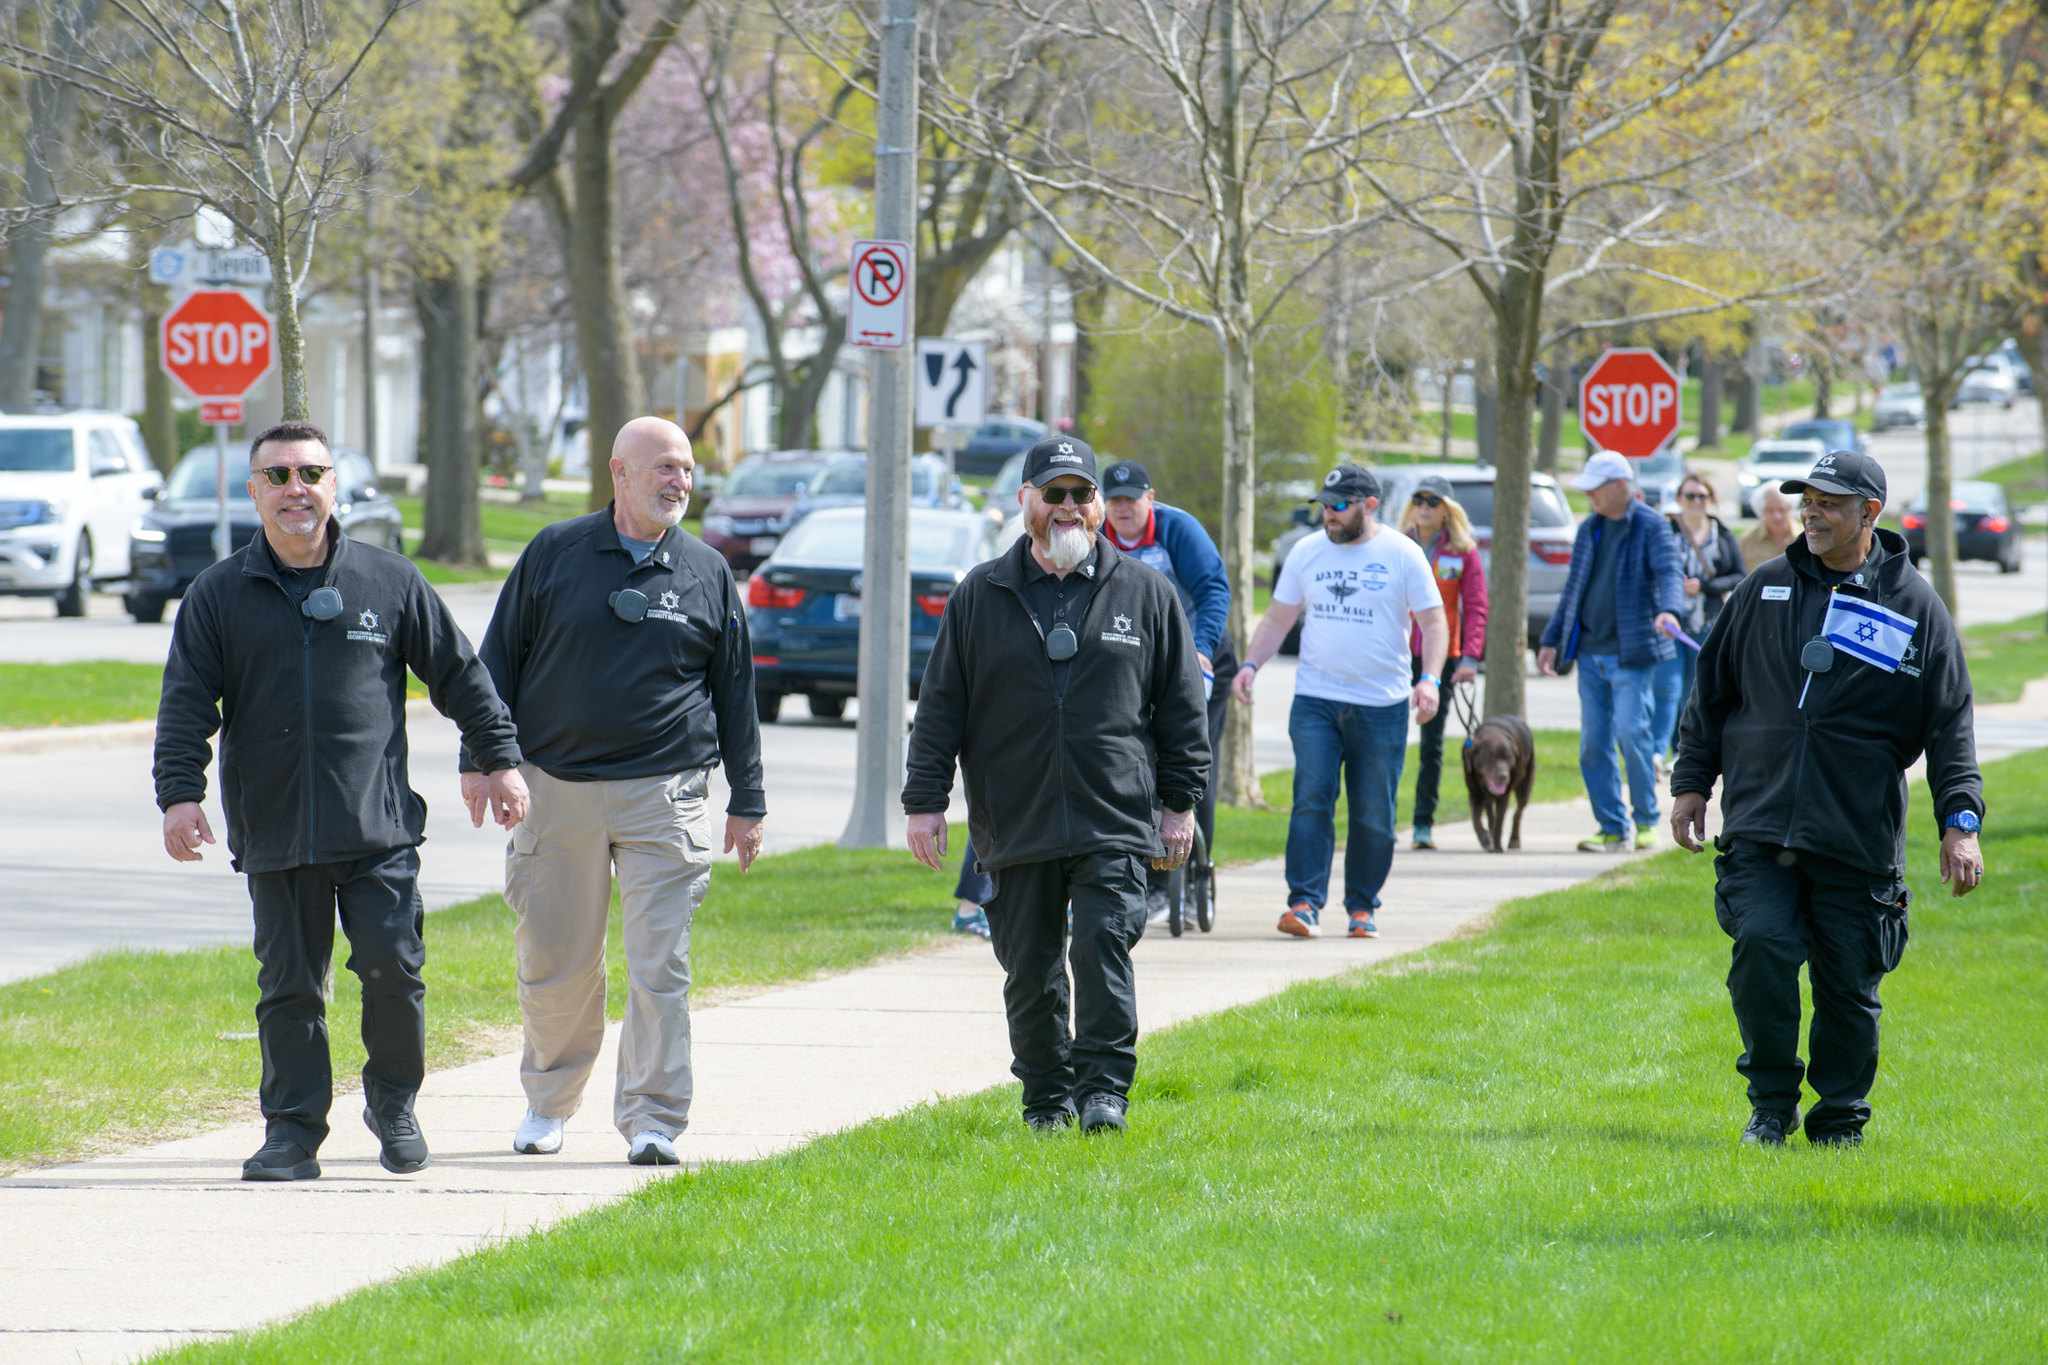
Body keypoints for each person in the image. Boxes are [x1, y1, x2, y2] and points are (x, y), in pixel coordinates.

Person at [153, 420, 529, 1183]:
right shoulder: (219, 594)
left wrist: (500, 758)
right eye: (278, 475)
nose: (296, 488)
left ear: (334, 485)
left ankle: (393, 1102)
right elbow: (187, 702)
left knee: (394, 967)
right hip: (275, 827)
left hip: (377, 824)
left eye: (311, 473)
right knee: (289, 987)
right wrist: (178, 794)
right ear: (255, 490)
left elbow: (460, 675)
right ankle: (292, 1131)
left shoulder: (388, 582)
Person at [469, 416, 766, 1167]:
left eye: (689, 471)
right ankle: (548, 1102)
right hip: (555, 788)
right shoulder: (554, 553)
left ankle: (653, 1116)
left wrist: (748, 801)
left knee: (659, 964)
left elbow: (736, 692)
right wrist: (484, 757)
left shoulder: (706, 571)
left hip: (666, 794)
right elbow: (495, 662)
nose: (680, 482)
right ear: (619, 472)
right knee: (557, 962)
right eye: (665, 467)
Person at [1671, 449, 1984, 1147]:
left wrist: (1960, 820)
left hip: (1855, 833)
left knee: (1848, 985)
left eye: (1829, 502)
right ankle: (1771, 1103)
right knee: (1761, 946)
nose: (1811, 511)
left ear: (1869, 513)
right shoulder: (1764, 588)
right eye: (1806, 498)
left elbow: (1950, 721)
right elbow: (1711, 691)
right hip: (1761, 822)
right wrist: (1693, 781)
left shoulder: (1914, 606)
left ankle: (1840, 1117)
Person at [903, 435, 1209, 1135]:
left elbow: (1182, 708)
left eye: (1082, 494)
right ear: (1026, 502)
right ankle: (1045, 1096)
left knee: (1102, 943)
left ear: (1100, 505)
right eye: (1054, 494)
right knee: (1029, 967)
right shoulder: (982, 594)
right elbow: (941, 704)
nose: (1068, 507)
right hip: (1016, 816)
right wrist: (925, 801)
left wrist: (1179, 801)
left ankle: (1104, 1090)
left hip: (1115, 813)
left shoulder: (1147, 592)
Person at [1233, 464, 1448, 939]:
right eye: (1323, 507)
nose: (1328, 516)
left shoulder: (1402, 554)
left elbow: (1433, 622)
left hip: (1382, 704)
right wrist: (1250, 665)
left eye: (1338, 507)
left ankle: (1362, 907)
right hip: (1316, 699)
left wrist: (1429, 678)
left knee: (1373, 811)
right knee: (1311, 799)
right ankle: (1304, 902)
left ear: (1369, 505)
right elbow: (1277, 618)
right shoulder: (1307, 552)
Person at [1099, 459, 1234, 919]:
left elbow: (1214, 590)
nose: (1122, 509)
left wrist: (1200, 650)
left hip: (1200, 655)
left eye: (1130, 500)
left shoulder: (1179, 531)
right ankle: (1146, 875)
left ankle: (1197, 871)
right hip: (1138, 666)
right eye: (1113, 500)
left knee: (1193, 762)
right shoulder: (1096, 538)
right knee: (1138, 762)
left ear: (1149, 498)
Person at [1538, 450, 1684, 853]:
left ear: (1621, 486)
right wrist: (1551, 639)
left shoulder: (1652, 527)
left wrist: (1670, 610)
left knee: (1631, 734)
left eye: (1595, 489)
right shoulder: (1590, 529)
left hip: (1631, 655)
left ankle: (1647, 820)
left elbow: (1670, 572)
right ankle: (1611, 826)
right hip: (1589, 653)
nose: (1591, 498)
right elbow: (1574, 589)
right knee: (1592, 743)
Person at [1397, 474, 1486, 850]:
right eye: (1418, 499)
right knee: (1385, 737)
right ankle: (1381, 819)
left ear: (1448, 510)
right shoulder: (1398, 546)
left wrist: (1469, 657)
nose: (1423, 508)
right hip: (1397, 653)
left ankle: (1422, 823)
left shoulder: (1463, 552)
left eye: (1432, 501)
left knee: (1431, 743)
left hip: (1441, 658)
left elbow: (1477, 606)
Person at [1651, 471, 1744, 763]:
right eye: (1689, 496)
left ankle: (1686, 750)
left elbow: (1738, 576)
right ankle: (1660, 750)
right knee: (1667, 687)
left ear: (1710, 499)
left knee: (1697, 688)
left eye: (1701, 496)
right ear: (1679, 499)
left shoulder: (1722, 535)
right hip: (1669, 623)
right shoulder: (1667, 532)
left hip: (1707, 623)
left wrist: (1703, 585)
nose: (1695, 502)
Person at [1740, 485, 1801, 571]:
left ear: (1790, 509)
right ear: (1761, 511)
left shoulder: (1806, 537)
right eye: (1770, 510)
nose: (1777, 516)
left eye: (1782, 509)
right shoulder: (1747, 541)